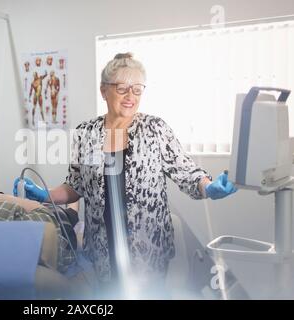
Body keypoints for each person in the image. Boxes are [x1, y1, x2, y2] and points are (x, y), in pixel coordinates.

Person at [14, 53, 237, 295]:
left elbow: (187, 172)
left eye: (137, 90)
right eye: (122, 89)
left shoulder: (155, 129)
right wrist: (43, 194)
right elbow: (75, 185)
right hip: (103, 251)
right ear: (104, 91)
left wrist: (208, 186)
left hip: (148, 248)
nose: (130, 97)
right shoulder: (86, 133)